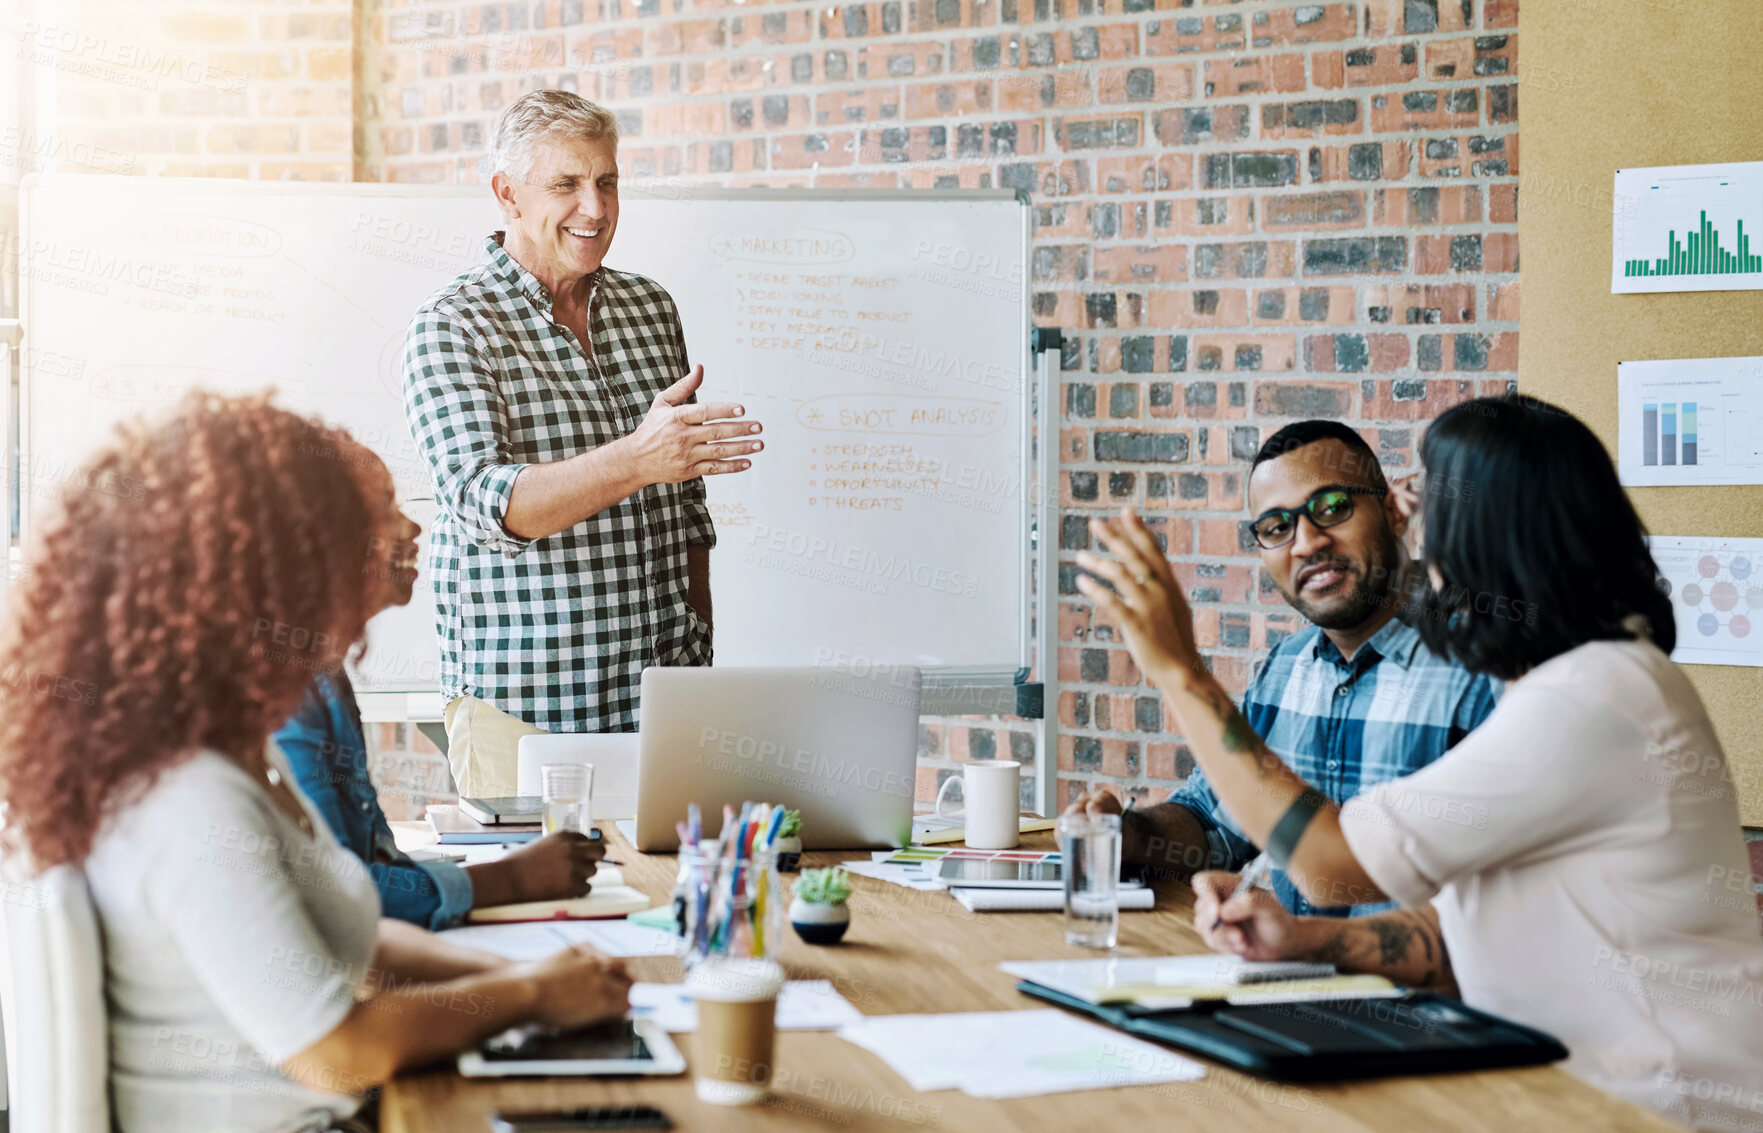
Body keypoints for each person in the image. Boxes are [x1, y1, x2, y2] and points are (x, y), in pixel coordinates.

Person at [1077, 394, 1763, 1131]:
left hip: (1648, 1110)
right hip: (1539, 1085)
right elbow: (1459, 935)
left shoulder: (1589, 701)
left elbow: (1330, 865)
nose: (1413, 530)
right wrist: (1302, 939)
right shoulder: (1582, 682)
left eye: (1424, 506)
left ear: (1490, 537)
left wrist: (1180, 670)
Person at [0, 393, 632, 1133]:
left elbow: (349, 939)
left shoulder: (223, 751)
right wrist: (531, 998)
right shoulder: (188, 799)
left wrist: (518, 979)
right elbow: (337, 1048)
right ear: (274, 579)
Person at [404, 88, 763, 798]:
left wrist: (697, 660)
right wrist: (637, 457)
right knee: (545, 909)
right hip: (526, 717)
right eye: (565, 185)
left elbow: (686, 507)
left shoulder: (649, 308)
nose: (594, 209)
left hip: (664, 706)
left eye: (606, 181)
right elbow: (487, 505)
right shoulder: (454, 326)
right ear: (506, 195)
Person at [1065, 420, 1499, 919]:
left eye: (1332, 508)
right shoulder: (1285, 667)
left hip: (1417, 992)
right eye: (1277, 527)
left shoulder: (1483, 665)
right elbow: (1217, 821)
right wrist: (1127, 834)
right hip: (1286, 979)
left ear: (1392, 513)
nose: (1307, 542)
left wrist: (1179, 670)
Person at [273, 450, 606, 930]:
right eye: (386, 510)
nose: (414, 529)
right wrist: (514, 879)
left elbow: (374, 860)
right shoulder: (288, 695)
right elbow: (344, 893)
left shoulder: (324, 675)